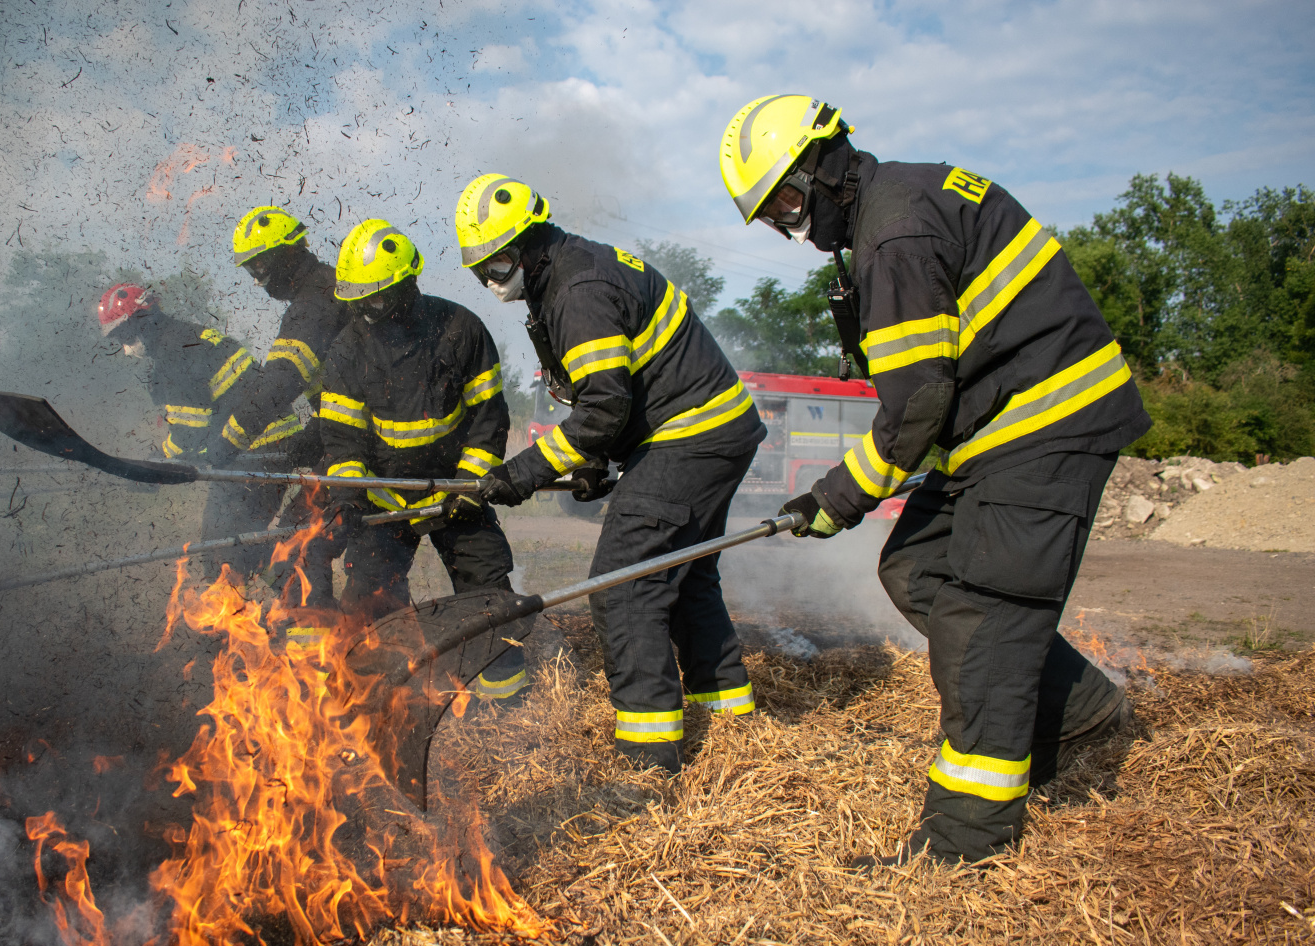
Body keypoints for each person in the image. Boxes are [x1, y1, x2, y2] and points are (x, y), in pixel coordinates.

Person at [718, 94, 1150, 865]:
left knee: (987, 616)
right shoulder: (893, 207)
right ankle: (1077, 707)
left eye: (786, 201)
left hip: (1043, 427)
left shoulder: (895, 232)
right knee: (916, 563)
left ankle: (963, 842)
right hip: (994, 434)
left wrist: (836, 499)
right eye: (773, 216)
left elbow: (917, 404)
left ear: (824, 163)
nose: (791, 226)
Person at [457, 175, 766, 774]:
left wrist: (525, 471)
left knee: (623, 584)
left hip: (690, 436)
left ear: (529, 242)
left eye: (496, 265)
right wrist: (593, 464)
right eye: (480, 273)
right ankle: (730, 716)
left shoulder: (577, 289)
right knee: (681, 575)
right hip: (711, 429)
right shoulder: (569, 276)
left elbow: (605, 407)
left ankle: (649, 760)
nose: (492, 282)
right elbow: (608, 401)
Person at [317, 218, 527, 702]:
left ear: (406, 286)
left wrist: (469, 488)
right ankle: (384, 698)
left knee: (487, 593)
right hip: (386, 498)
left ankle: (506, 701)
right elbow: (343, 441)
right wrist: (349, 500)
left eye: (372, 300)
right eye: (355, 302)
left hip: (456, 491)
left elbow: (487, 421)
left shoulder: (460, 330)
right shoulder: (348, 350)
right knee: (370, 602)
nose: (364, 314)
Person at [96, 283, 279, 582]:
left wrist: (156, 463)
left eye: (125, 337)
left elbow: (189, 432)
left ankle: (298, 592)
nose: (126, 349)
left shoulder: (172, 353)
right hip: (259, 446)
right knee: (233, 545)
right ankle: (294, 587)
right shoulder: (187, 335)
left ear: (143, 321)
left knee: (221, 547)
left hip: (254, 451)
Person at [222, 206, 352, 611]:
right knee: (374, 566)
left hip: (361, 443)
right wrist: (292, 448)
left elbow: (279, 382)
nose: (258, 278)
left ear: (289, 252)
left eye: (261, 263)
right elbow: (338, 403)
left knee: (299, 543)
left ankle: (308, 644)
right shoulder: (329, 286)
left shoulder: (314, 303)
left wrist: (228, 442)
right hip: (350, 430)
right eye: (250, 269)